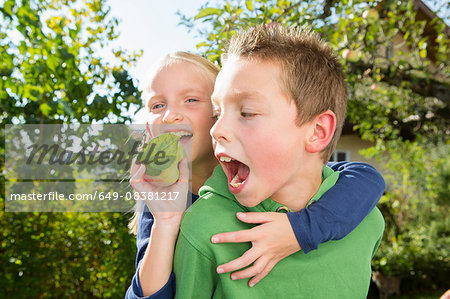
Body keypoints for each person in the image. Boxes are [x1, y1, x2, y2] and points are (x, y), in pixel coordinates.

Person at [125, 50, 385, 299]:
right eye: (157, 105)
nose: (170, 116)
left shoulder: (263, 173)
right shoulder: (162, 201)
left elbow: (365, 179)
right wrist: (165, 226)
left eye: (191, 100)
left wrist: (300, 230)